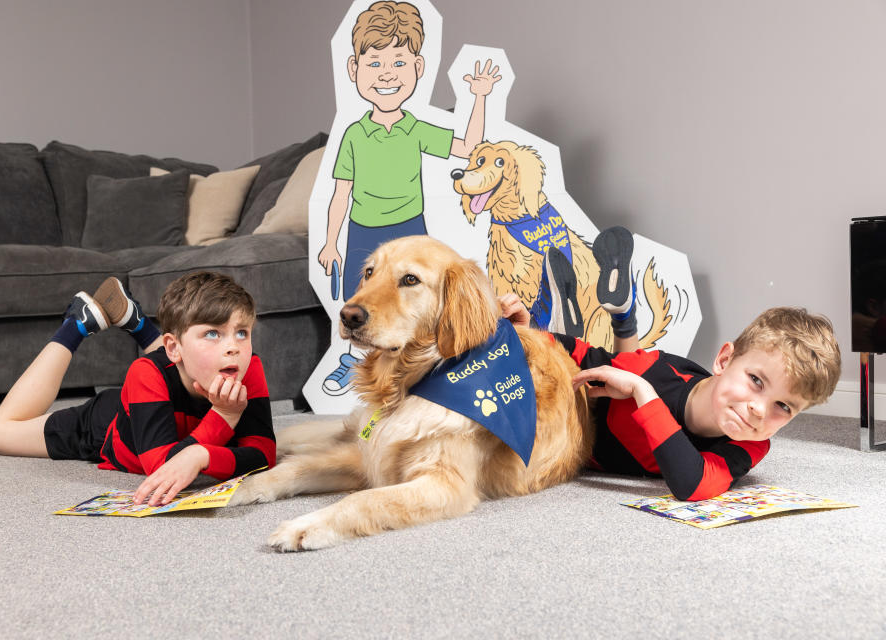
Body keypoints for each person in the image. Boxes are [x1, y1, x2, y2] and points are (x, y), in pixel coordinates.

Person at [501, 229, 841, 501]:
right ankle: (621, 318)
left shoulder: (752, 443)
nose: (757, 409)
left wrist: (641, 394)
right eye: (756, 380)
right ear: (724, 360)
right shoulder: (657, 374)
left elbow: (692, 484)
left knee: (627, 373)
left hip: (619, 405)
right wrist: (526, 333)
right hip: (602, 373)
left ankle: (621, 318)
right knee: (531, 356)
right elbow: (586, 361)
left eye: (783, 406)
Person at [316, 0, 501, 395]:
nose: (387, 74)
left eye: (398, 63)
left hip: (407, 227)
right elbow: (341, 192)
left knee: (402, 305)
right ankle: (354, 361)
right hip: (362, 229)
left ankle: (424, 376)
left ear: (418, 69)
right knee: (363, 307)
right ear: (354, 70)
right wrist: (331, 242)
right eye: (374, 63)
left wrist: (480, 97)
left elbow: (469, 146)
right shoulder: (353, 134)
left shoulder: (415, 129)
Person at [0, 272, 275, 507]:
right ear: (172, 346)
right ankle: (77, 323)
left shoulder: (248, 366)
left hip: (168, 388)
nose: (233, 347)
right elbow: (162, 467)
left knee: (185, 363)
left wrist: (202, 456)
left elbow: (264, 455)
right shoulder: (145, 373)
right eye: (213, 333)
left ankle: (137, 324)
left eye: (242, 332)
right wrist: (224, 416)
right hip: (105, 425)